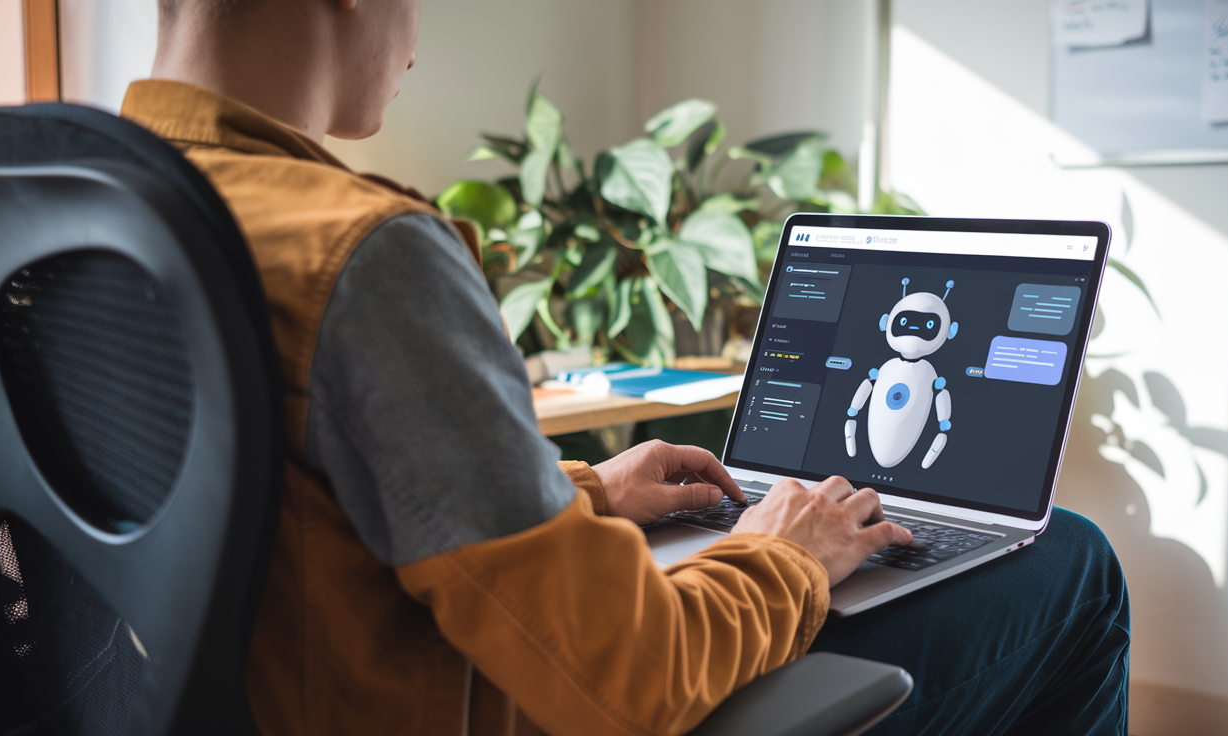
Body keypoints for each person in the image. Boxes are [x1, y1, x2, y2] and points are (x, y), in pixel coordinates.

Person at [125, 1, 1130, 734]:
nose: (417, 36)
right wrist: (786, 554)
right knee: (1072, 562)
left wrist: (580, 493)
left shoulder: (77, 211)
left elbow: (280, 526)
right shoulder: (357, 250)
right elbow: (625, 680)